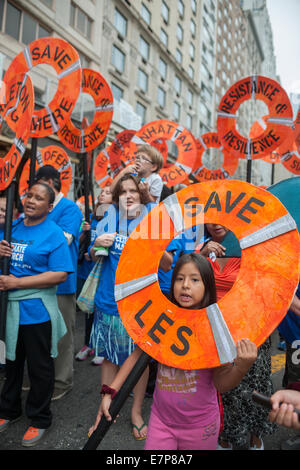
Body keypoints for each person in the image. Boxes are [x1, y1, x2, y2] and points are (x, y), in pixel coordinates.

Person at [89, 253, 258, 450]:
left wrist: (241, 367)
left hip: (200, 427)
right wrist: (110, 392)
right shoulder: (163, 322)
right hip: (161, 422)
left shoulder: (214, 329)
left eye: (195, 280)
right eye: (179, 278)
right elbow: (136, 357)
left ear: (207, 287)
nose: (185, 285)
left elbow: (221, 383)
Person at [88, 173, 171, 440]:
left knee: (140, 363)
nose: (128, 195)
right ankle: (105, 409)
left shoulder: (152, 222)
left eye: (133, 190)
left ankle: (136, 412)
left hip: (142, 304)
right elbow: (93, 255)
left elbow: (168, 263)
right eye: (122, 192)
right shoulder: (107, 221)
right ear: (116, 197)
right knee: (110, 357)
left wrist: (150, 246)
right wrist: (96, 245)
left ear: (142, 194)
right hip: (108, 300)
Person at [0, 182, 73, 446]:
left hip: (37, 312)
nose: (31, 200)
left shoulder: (53, 233)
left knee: (40, 368)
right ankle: (9, 410)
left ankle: (40, 418)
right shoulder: (13, 226)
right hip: (9, 309)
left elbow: (60, 274)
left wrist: (17, 283)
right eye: (29, 195)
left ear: (49, 207)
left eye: (39, 198)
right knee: (11, 363)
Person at [201, 223, 276, 450]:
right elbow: (188, 283)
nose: (215, 224)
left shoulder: (250, 249)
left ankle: (255, 435)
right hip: (216, 332)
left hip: (252, 330)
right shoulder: (200, 251)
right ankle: (225, 436)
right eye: (210, 219)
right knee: (224, 388)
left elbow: (268, 286)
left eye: (221, 218)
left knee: (256, 383)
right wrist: (200, 257)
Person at [34, 165, 82, 401]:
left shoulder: (69, 208)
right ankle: (41, 378)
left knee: (62, 335)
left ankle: (62, 381)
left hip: (62, 283)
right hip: (36, 282)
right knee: (39, 334)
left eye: (40, 188)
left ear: (51, 183)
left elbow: (63, 240)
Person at [75, 186, 113, 364]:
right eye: (102, 192)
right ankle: (87, 344)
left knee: (101, 310)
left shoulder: (114, 218)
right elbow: (84, 241)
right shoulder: (93, 216)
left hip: (103, 270)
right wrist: (85, 231)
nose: (102, 194)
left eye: (108, 192)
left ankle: (102, 347)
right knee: (89, 309)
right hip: (89, 268)